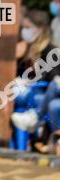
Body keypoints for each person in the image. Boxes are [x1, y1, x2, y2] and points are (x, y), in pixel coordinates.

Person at [11, 9, 60, 153]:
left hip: (41, 91)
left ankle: (34, 118)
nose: (24, 32)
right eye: (23, 28)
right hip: (37, 91)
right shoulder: (27, 49)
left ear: (40, 29)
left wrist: (28, 81)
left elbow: (52, 78)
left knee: (15, 95)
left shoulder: (50, 51)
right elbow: (18, 72)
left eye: (28, 28)